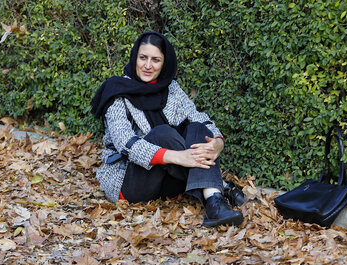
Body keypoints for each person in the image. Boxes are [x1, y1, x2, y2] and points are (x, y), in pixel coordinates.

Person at [91, 32, 245, 226]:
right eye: (143, 58)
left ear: (164, 63)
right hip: (131, 183)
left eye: (155, 60)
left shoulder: (171, 88)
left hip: (168, 182)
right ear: (134, 58)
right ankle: (219, 189)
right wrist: (178, 157)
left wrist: (217, 143)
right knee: (162, 133)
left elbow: (198, 117)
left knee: (197, 128)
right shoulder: (117, 92)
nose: (148, 66)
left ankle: (214, 202)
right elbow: (126, 144)